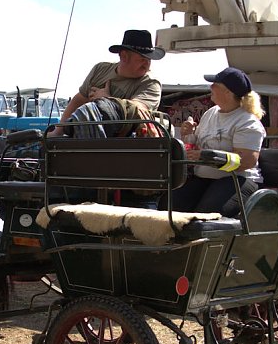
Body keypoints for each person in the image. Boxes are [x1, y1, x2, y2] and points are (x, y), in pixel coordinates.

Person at [168, 67, 266, 217]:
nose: (210, 87)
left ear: (228, 92)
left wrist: (210, 156)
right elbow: (197, 148)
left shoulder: (247, 121)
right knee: (169, 205)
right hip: (204, 178)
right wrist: (188, 135)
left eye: (215, 85)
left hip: (236, 179)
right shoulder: (210, 113)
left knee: (208, 213)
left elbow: (247, 161)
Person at [52, 29, 165, 135]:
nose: (147, 64)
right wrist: (58, 132)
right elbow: (79, 99)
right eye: (142, 59)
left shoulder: (150, 84)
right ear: (124, 56)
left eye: (149, 60)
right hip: (88, 138)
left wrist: (105, 99)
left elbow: (135, 111)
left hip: (127, 146)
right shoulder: (100, 70)